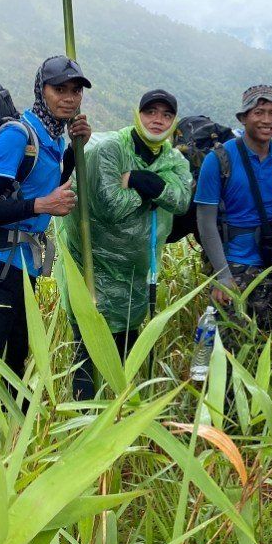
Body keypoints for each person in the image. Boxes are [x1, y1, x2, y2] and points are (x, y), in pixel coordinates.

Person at [0, 55, 92, 414]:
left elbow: (39, 185)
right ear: (41, 90)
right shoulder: (17, 135)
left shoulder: (53, 137)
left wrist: (76, 151)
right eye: (60, 89)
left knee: (13, 363)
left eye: (75, 90)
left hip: (23, 267)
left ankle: (9, 443)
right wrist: (41, 206)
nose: (69, 97)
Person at [59, 88, 193, 400]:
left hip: (136, 278)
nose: (157, 120)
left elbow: (182, 200)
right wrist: (155, 189)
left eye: (166, 114)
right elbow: (111, 206)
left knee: (124, 361)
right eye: (150, 112)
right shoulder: (112, 149)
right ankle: (82, 425)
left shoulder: (174, 159)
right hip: (94, 276)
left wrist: (140, 181)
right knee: (89, 360)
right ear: (138, 113)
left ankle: (119, 420)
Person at [194, 85, 272, 335]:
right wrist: (222, 276)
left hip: (270, 259)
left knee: (262, 337)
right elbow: (205, 222)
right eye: (259, 112)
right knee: (226, 343)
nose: (267, 120)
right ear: (243, 118)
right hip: (232, 262)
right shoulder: (219, 159)